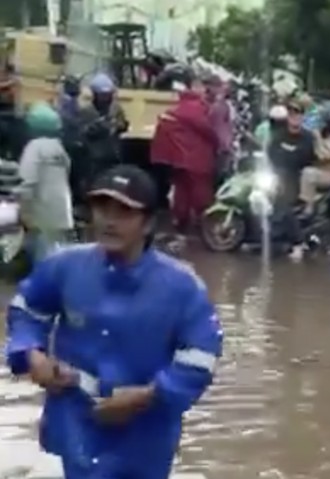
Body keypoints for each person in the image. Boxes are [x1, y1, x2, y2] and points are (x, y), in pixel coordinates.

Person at [4, 164, 223, 479]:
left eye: (124, 212)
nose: (109, 220)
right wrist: (31, 353)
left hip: (145, 435)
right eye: (102, 208)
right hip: (73, 424)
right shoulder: (64, 266)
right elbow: (27, 310)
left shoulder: (182, 287)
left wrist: (147, 396)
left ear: (148, 223)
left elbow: (201, 357)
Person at [150, 76, 218, 234]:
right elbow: (208, 131)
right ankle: (203, 222)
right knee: (200, 191)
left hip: (177, 159)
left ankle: (180, 221)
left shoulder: (178, 108)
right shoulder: (197, 108)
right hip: (197, 158)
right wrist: (217, 143)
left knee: (182, 191)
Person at [16, 102, 73, 263]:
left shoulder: (34, 147)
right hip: (62, 214)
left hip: (41, 215)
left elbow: (27, 181)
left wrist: (24, 212)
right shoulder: (59, 148)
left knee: (42, 261)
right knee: (57, 258)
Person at [268, 98, 318, 260]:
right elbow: (270, 154)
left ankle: (298, 243)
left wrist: (289, 157)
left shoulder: (308, 137)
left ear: (303, 117)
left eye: (298, 114)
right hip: (277, 175)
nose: (294, 117)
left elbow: (306, 157)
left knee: (283, 202)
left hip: (297, 178)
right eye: (291, 114)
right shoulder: (278, 135)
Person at [77, 73, 128, 190]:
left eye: (108, 94)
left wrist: (120, 126)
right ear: (95, 94)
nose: (106, 98)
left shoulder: (116, 109)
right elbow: (82, 132)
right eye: (103, 95)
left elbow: (122, 124)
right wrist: (98, 127)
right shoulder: (86, 111)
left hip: (113, 157)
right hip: (94, 159)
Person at [299, 109, 330, 216]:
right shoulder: (315, 135)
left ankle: (308, 207)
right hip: (315, 168)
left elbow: (323, 157)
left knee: (308, 173)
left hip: (329, 174)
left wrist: (318, 139)